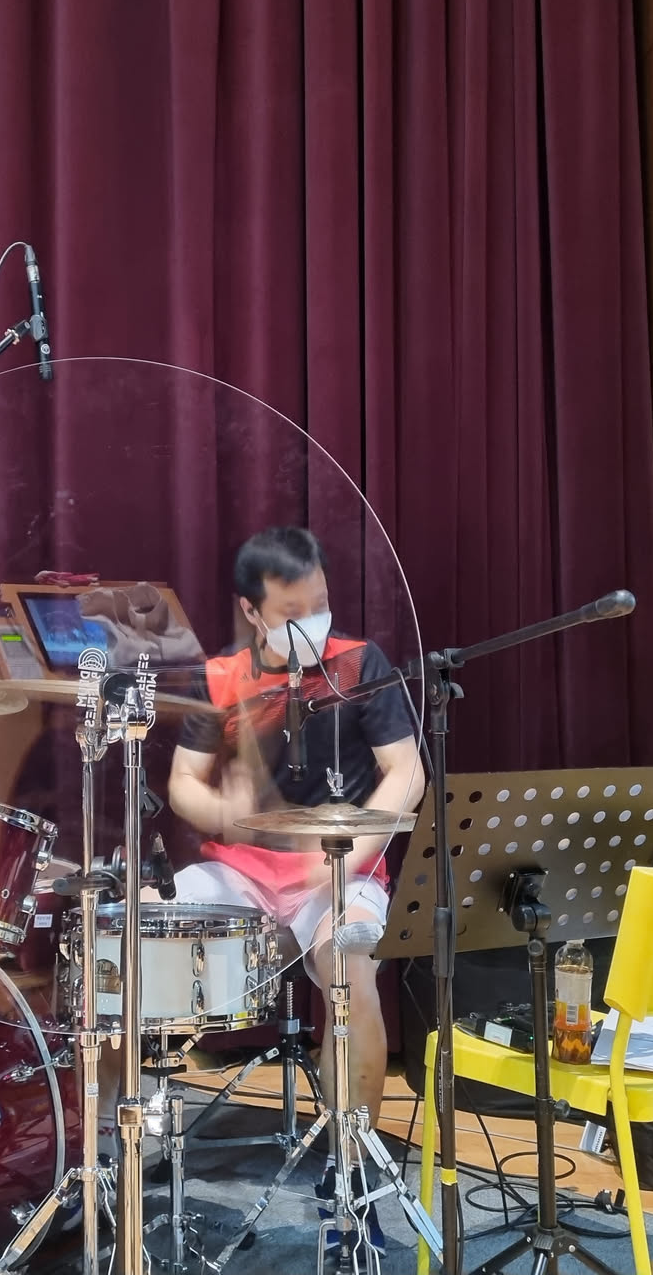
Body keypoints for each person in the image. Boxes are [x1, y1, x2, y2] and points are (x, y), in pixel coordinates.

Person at [163, 526, 423, 1239]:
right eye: (292, 611)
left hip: (341, 868)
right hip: (242, 868)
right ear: (251, 611)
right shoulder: (219, 678)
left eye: (321, 604)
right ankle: (124, 1150)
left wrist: (348, 852)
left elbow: (406, 771)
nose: (313, 622)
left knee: (351, 966)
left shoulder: (360, 664)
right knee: (144, 929)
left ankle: (353, 1168)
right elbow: (183, 782)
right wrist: (223, 811)